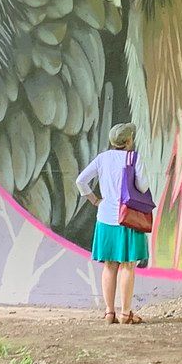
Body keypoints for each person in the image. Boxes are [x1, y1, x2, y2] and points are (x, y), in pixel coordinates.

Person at [76, 121, 149, 325]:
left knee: (109, 265)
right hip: (128, 218)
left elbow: (80, 180)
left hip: (105, 218)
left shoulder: (102, 158)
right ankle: (125, 314)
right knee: (128, 265)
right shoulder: (134, 158)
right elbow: (143, 187)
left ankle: (109, 312)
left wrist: (95, 200)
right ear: (128, 140)